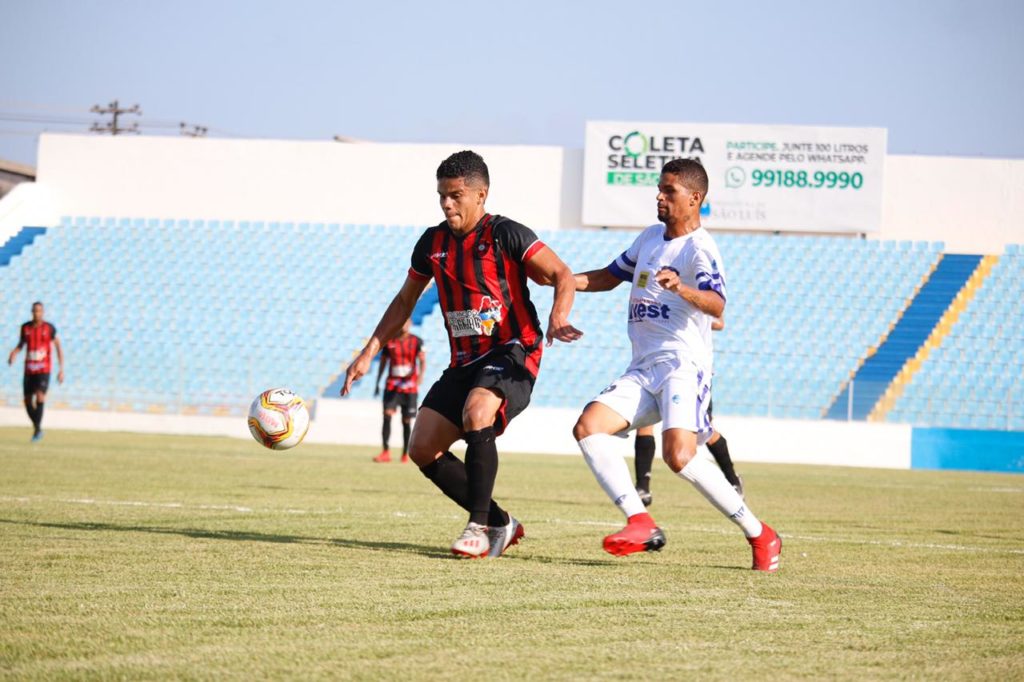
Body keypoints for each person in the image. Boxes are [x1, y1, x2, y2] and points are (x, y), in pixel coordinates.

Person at [343, 150, 581, 558]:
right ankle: (501, 521)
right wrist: (368, 352)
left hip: (513, 349)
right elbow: (403, 303)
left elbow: (561, 273)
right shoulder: (431, 243)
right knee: (421, 447)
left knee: (478, 411)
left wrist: (559, 316)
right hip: (463, 362)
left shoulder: (506, 234)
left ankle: (478, 526)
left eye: (455, 195)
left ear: (480, 194)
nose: (447, 203)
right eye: (441, 196)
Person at [571, 159, 781, 571]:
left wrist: (681, 287)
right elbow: (609, 276)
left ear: (695, 198)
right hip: (644, 366)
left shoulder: (699, 247)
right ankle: (640, 520)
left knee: (680, 456)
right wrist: (562, 278)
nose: (660, 196)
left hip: (684, 365)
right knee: (588, 427)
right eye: (659, 189)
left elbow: (717, 302)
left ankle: (761, 535)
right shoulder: (650, 237)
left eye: (669, 191)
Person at [633, 315, 743, 507]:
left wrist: (684, 318)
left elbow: (719, 321)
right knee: (643, 424)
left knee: (705, 429)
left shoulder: (697, 293)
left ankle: (732, 480)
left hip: (692, 370)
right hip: (657, 364)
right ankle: (643, 488)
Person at [8, 301, 64, 442]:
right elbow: (21, 344)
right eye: (34, 311)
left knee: (40, 396)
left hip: (43, 369)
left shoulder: (49, 328)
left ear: (43, 312)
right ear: (32, 312)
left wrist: (61, 369)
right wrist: (14, 352)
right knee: (27, 400)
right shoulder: (25, 328)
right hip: (29, 369)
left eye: (39, 311)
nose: (37, 313)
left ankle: (37, 430)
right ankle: (38, 428)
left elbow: (58, 346)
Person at [372, 319, 426, 463]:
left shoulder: (417, 341)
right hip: (392, 385)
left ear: (410, 325)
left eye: (407, 323)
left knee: (406, 420)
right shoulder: (389, 341)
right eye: (402, 323)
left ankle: (404, 454)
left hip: (409, 387)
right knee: (387, 416)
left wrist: (420, 377)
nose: (404, 325)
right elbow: (383, 363)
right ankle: (385, 452)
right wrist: (378, 381)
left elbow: (422, 361)